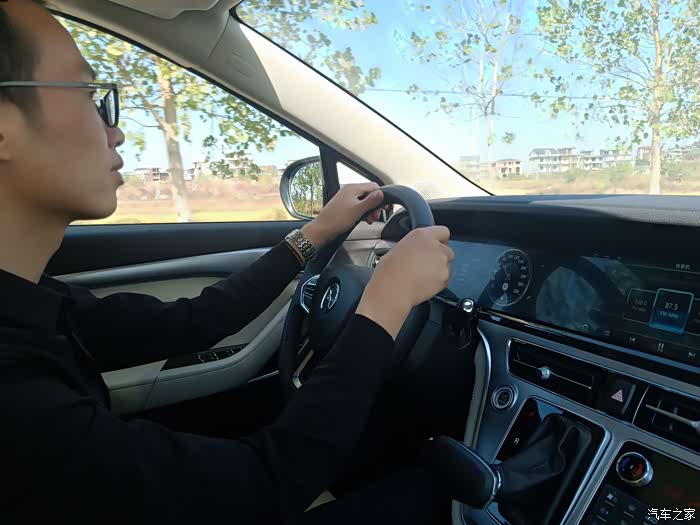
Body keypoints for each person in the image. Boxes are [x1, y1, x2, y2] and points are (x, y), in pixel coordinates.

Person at [0, 0, 455, 523]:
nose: (116, 131)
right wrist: (386, 303)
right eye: (88, 94)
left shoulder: (35, 305)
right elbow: (264, 485)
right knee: (438, 496)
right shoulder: (15, 396)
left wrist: (316, 232)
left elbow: (195, 321)